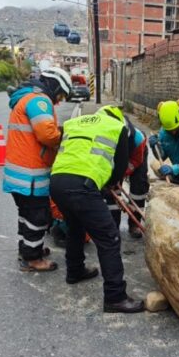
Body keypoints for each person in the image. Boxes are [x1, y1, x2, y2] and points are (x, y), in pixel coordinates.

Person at [49, 109, 145, 313]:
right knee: (109, 237)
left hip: (57, 181)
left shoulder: (76, 122)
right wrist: (108, 182)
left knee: (75, 227)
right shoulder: (117, 127)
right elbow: (119, 168)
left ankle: (75, 271)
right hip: (81, 185)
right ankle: (115, 296)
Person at [2, 66, 72, 272]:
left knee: (26, 214)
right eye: (60, 95)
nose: (58, 101)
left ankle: (28, 248)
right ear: (54, 85)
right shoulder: (39, 100)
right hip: (30, 176)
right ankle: (32, 259)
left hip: (19, 175)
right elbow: (47, 135)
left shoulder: (26, 98)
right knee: (37, 216)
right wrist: (65, 136)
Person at [99, 105, 148, 239]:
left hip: (135, 154)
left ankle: (134, 224)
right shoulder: (99, 136)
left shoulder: (137, 139)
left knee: (139, 188)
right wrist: (110, 178)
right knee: (111, 191)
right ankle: (113, 226)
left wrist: (121, 173)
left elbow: (135, 161)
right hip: (112, 157)